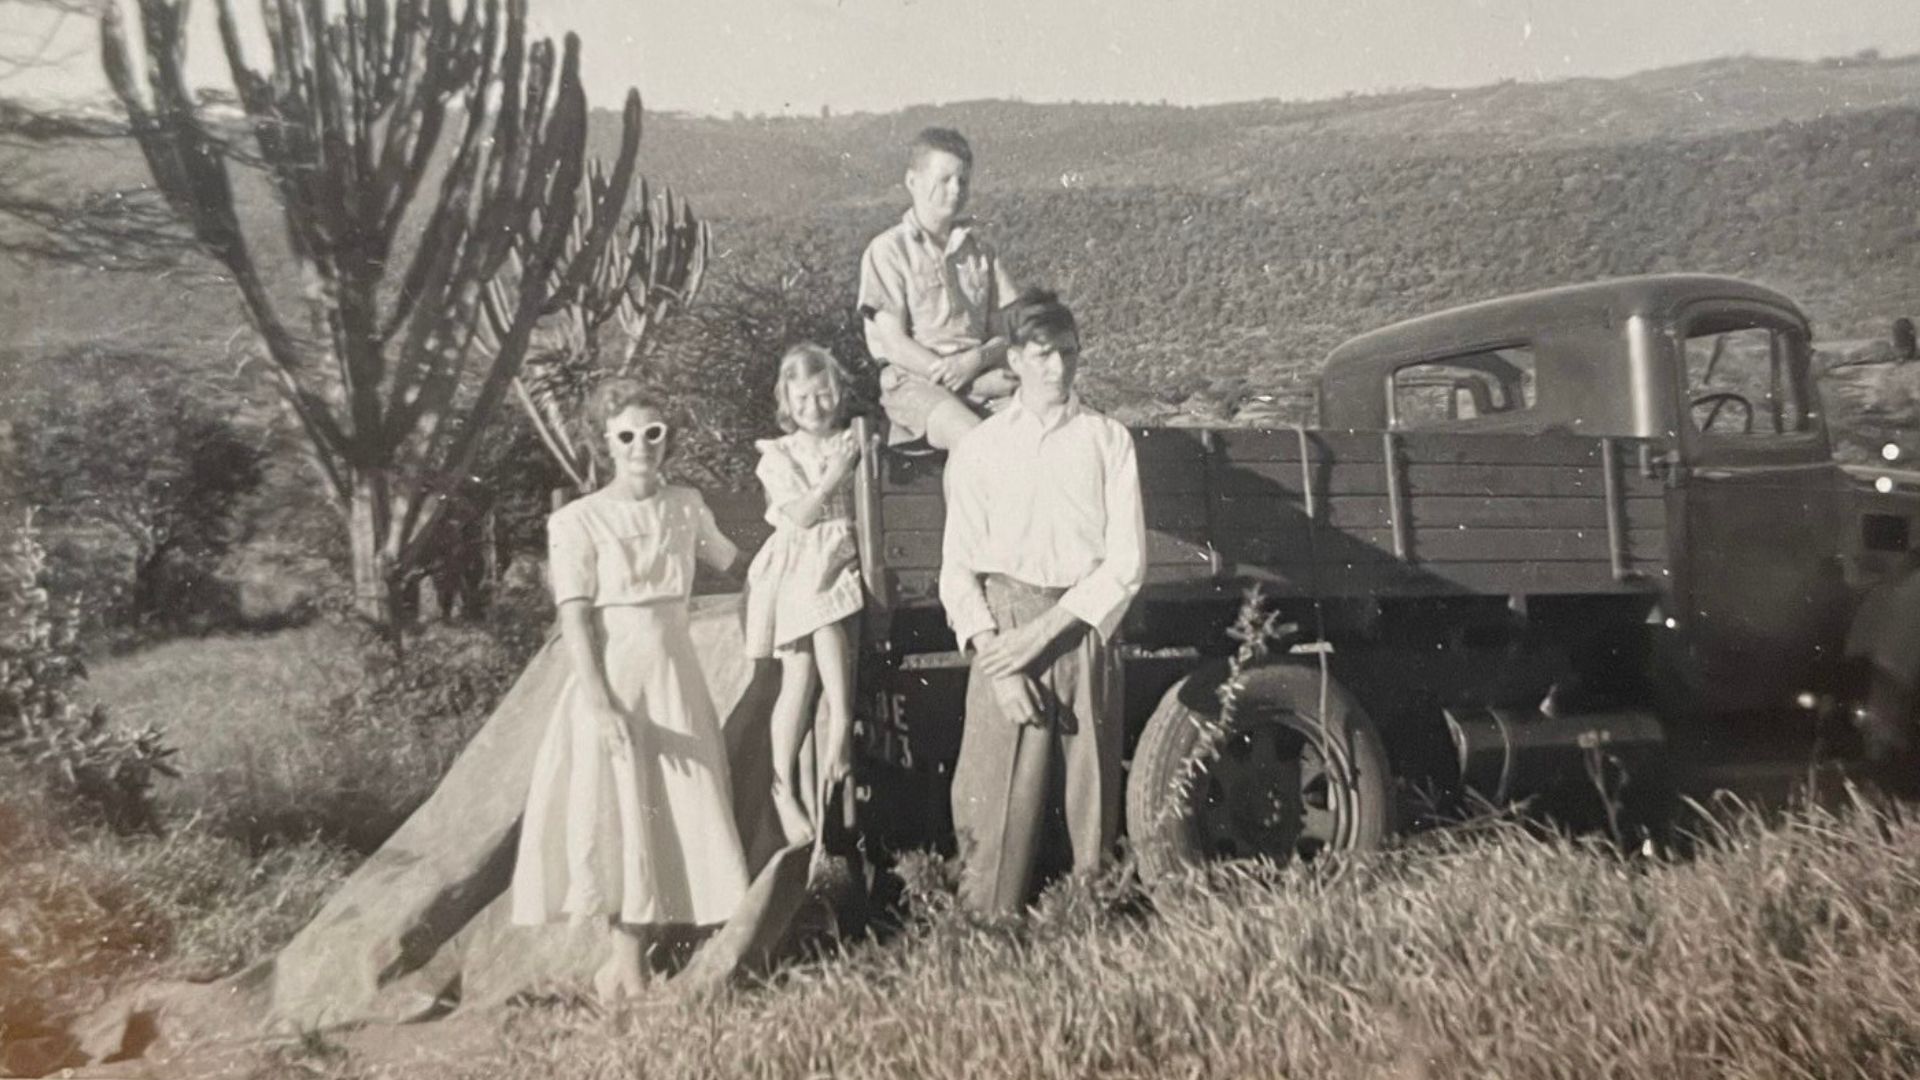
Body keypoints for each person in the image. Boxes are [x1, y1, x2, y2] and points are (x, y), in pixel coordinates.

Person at [510, 378, 752, 1002]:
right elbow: (574, 619)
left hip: (677, 674)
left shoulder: (686, 505)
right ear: (605, 444)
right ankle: (627, 969)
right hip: (616, 678)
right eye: (626, 436)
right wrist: (599, 702)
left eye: (653, 433)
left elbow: (736, 563)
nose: (641, 447)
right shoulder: (577, 521)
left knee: (677, 811)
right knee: (623, 814)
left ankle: (629, 966)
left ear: (666, 439)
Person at [937, 287, 1146, 916]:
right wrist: (996, 658)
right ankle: (985, 937)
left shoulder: (1108, 441)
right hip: (1004, 635)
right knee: (992, 801)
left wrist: (1050, 630)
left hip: (1081, 631)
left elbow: (1127, 563)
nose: (1059, 367)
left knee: (1087, 798)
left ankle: (1083, 931)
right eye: (1043, 353)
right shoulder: (983, 448)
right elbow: (956, 571)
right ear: (1016, 361)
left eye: (1069, 353)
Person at [743, 344, 867, 844]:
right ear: (787, 402)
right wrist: (837, 472)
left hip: (841, 556)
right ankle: (784, 788)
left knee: (824, 612)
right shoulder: (779, 453)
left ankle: (839, 728)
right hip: (797, 561)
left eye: (823, 394)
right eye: (802, 398)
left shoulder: (855, 439)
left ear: (837, 392)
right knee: (799, 670)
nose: (814, 407)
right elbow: (800, 516)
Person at [857, 126, 1019, 450]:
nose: (955, 189)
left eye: (963, 180)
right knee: (979, 442)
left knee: (1057, 431)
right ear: (913, 181)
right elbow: (894, 344)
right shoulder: (888, 250)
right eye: (944, 179)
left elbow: (1005, 333)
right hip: (916, 384)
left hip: (980, 375)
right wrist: (958, 377)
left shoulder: (982, 251)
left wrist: (975, 361)